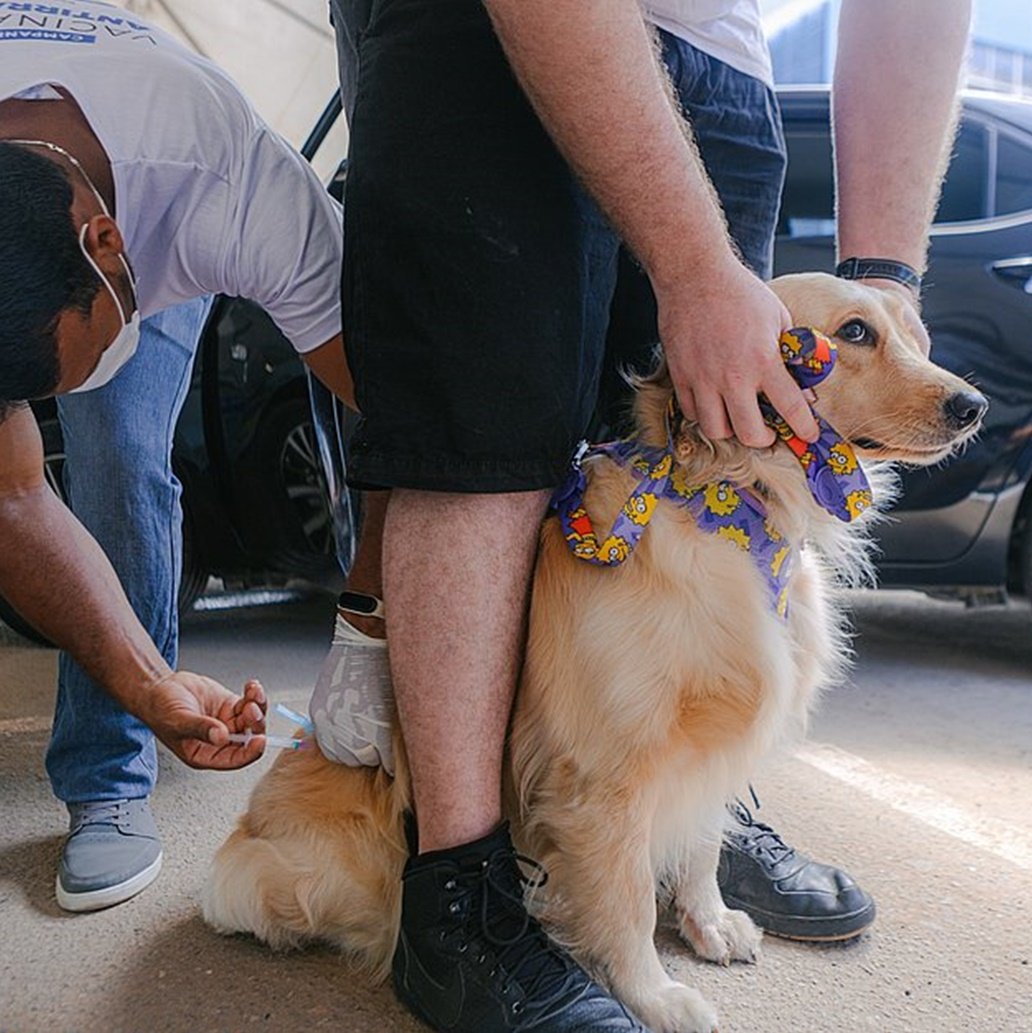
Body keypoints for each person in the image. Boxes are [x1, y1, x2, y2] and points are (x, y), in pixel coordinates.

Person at [330, 0, 971, 1029]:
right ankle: (459, 890)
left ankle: (683, 831)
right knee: (486, 444)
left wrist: (886, 272)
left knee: (713, 462)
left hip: (720, 58)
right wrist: (690, 264)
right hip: (481, 29)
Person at [0, 0, 384, 913]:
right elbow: (14, 497)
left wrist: (367, 632)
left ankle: (109, 778)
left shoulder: (234, 186)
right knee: (70, 467)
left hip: (152, 182)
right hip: (59, 196)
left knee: (123, 453)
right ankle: (111, 773)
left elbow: (406, 428)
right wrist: (155, 686)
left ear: (108, 249)